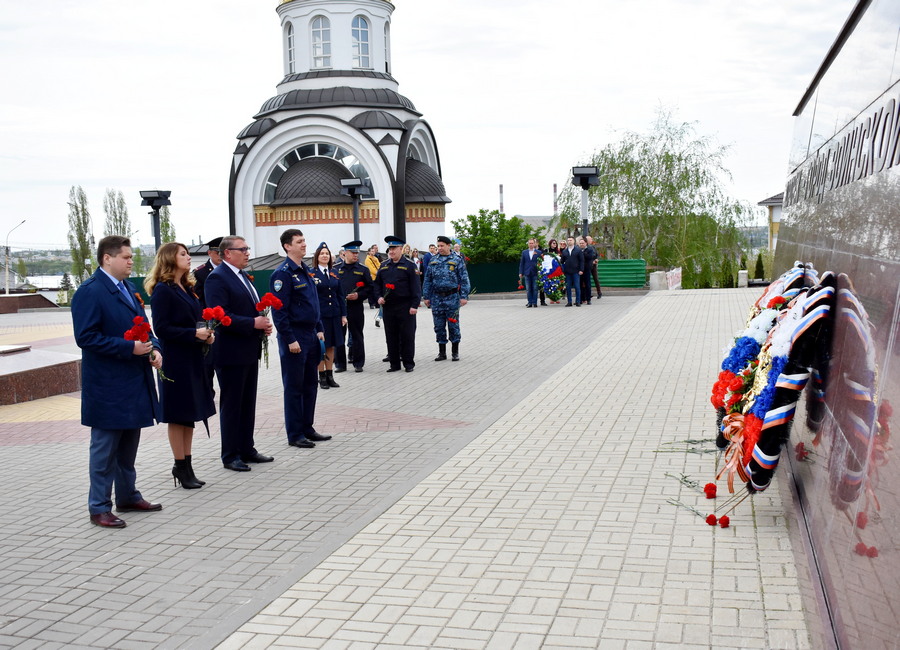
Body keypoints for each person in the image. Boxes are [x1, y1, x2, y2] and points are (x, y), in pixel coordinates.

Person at [72, 235, 163, 528]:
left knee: (128, 446)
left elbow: (143, 326)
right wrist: (129, 349)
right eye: (126, 257)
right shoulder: (90, 291)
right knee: (105, 449)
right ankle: (99, 506)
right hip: (108, 385)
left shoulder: (128, 287)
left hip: (133, 380)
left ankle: (127, 495)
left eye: (131, 256)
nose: (131, 261)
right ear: (107, 259)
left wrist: (155, 348)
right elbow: (86, 338)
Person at [145, 242, 216, 489]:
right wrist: (192, 334)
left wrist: (205, 333)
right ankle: (180, 466)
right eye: (183, 254)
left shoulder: (186, 288)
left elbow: (193, 321)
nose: (188, 258)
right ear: (169, 259)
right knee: (178, 416)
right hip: (175, 361)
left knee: (190, 415)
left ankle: (187, 465)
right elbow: (162, 329)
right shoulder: (163, 291)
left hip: (193, 358)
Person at [205, 235, 275, 471]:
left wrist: (262, 324)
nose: (247, 252)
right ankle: (231, 454)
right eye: (242, 249)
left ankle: (247, 448)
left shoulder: (243, 275)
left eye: (247, 248)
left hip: (248, 348)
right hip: (231, 351)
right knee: (233, 404)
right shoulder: (217, 278)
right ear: (228, 253)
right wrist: (251, 323)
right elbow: (220, 315)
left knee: (247, 402)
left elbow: (249, 309)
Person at [269, 229, 331, 449]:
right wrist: (289, 339)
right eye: (299, 241)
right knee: (294, 387)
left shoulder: (305, 270)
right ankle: (295, 434)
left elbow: (313, 303)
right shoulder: (283, 274)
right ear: (287, 246)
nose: (304, 244)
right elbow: (279, 312)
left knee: (310, 384)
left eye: (305, 240)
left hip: (311, 335)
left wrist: (320, 328)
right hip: (294, 337)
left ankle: (308, 427)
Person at [373, 235, 421, 372]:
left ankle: (408, 363)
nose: (391, 252)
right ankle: (394, 364)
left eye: (394, 249)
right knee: (391, 336)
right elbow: (377, 285)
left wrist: (414, 305)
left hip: (405, 307)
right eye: (390, 249)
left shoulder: (410, 266)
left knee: (407, 336)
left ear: (401, 249)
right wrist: (379, 297)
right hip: (389, 306)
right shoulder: (383, 266)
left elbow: (416, 287)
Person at [423, 235, 471, 361]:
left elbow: (464, 279)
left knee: (453, 324)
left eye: (442, 246)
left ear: (448, 246)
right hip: (437, 298)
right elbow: (427, 280)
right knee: (438, 326)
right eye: (438, 246)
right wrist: (426, 296)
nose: (439, 248)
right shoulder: (433, 260)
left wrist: (464, 296)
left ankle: (455, 352)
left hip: (452, 297)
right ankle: (442, 352)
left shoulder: (457, 259)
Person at [311, 243, 346, 389]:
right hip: (320, 316)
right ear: (317, 257)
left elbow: (340, 295)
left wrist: (343, 314)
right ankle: (322, 377)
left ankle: (330, 375)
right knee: (321, 346)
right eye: (322, 254)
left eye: (326, 253)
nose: (324, 256)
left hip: (334, 315)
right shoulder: (311, 274)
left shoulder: (334, 272)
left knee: (332, 345)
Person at [334, 240, 372, 373]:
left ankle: (358, 363)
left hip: (355, 307)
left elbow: (370, 288)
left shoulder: (362, 269)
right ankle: (340, 364)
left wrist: (359, 295)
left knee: (356, 334)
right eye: (353, 252)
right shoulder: (336, 269)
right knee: (339, 335)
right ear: (345, 253)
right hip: (340, 308)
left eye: (357, 253)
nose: (356, 255)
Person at [192, 237, 223, 308]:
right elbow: (198, 299)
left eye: (223, 253)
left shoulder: (229, 270)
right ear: (209, 253)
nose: (220, 256)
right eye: (217, 253)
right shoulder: (200, 273)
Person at [560, 236, 584, 306]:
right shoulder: (565, 251)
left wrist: (581, 269)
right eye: (568, 240)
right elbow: (562, 261)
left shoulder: (578, 250)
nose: (569, 241)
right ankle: (569, 301)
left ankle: (578, 301)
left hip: (576, 271)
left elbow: (582, 260)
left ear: (574, 241)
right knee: (568, 287)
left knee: (577, 286)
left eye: (570, 240)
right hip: (567, 272)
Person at [518, 238, 541, 308]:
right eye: (529, 243)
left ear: (534, 244)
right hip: (527, 272)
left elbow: (540, 262)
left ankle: (535, 302)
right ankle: (529, 302)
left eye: (532, 243)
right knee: (528, 288)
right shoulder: (524, 252)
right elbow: (522, 263)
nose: (531, 244)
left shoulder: (538, 252)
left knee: (535, 288)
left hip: (535, 272)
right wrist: (521, 272)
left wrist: (540, 270)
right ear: (528, 244)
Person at [578, 237, 597, 305]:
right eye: (580, 243)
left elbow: (590, 257)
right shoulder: (578, 250)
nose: (581, 244)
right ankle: (580, 299)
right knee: (579, 285)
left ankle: (588, 299)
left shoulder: (589, 249)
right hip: (579, 269)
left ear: (586, 243)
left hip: (587, 269)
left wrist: (582, 254)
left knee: (587, 284)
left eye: (583, 243)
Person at [365, 244, 381, 310]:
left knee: (377, 290)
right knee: (371, 291)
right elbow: (371, 269)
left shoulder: (376, 258)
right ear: (369, 252)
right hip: (372, 277)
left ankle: (377, 303)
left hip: (377, 277)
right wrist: (377, 273)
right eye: (371, 251)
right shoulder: (367, 259)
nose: (373, 252)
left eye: (373, 251)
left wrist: (380, 271)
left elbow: (379, 265)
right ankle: (372, 303)